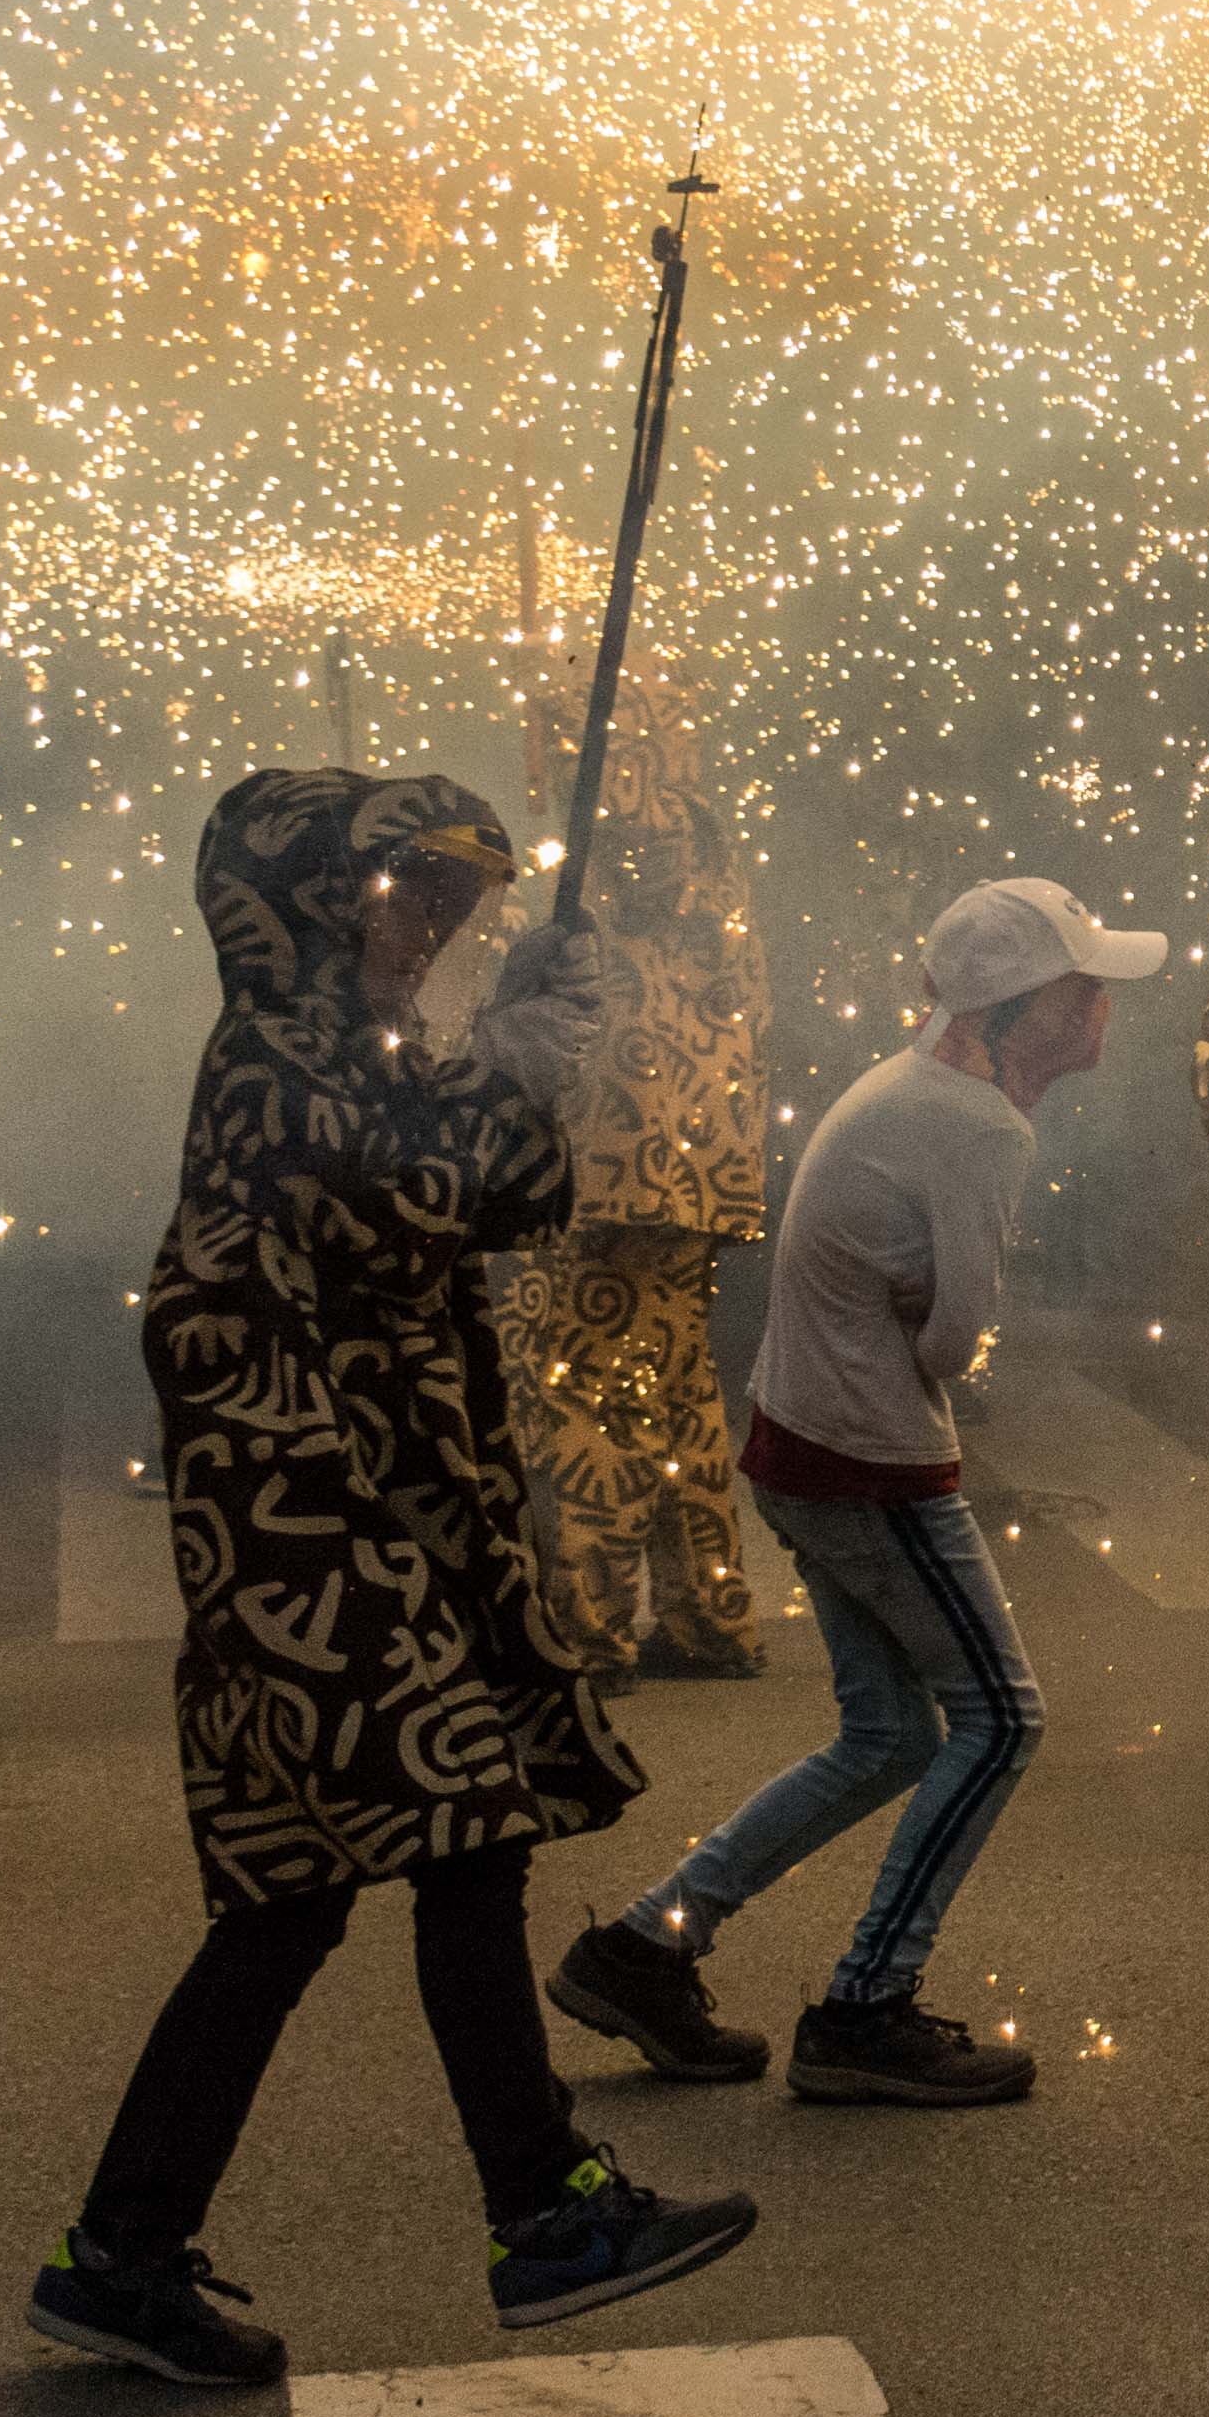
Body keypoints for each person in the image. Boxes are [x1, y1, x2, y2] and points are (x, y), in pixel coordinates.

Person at [25, 771, 748, 2390]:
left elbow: (499, 1189)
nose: (422, 926)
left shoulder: (365, 1053)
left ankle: (122, 2253)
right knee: (465, 1835)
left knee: (286, 1911)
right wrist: (509, 1066)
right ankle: (546, 2206)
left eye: (445, 904)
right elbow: (414, 1180)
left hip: (378, 1539)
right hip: (314, 1550)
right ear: (294, 899)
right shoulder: (273, 1061)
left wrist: (520, 1058)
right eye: (396, 893)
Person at [549, 875, 1157, 2112]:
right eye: (1084, 986)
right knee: (1002, 1720)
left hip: (805, 1441)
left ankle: (644, 1947)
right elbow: (951, 1348)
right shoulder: (980, 1125)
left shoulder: (911, 1083)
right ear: (1022, 1009)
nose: (1104, 1007)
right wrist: (934, 1321)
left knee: (887, 1736)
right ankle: (867, 2007)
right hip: (868, 1458)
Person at [483, 692, 772, 1680]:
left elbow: (529, 1024)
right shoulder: (712, 861)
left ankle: (592, 1630)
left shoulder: (578, 875)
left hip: (596, 1170)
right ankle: (711, 1615)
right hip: (699, 1168)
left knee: (581, 1398)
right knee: (681, 1389)